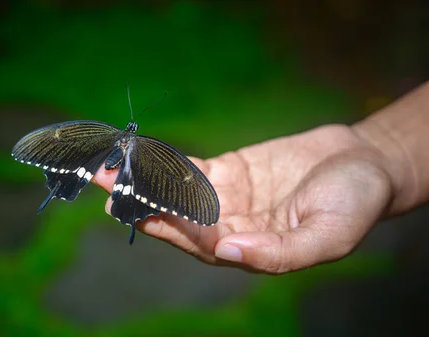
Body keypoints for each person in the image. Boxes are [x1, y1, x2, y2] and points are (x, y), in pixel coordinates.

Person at [92, 81, 429, 274]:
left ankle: (111, 185)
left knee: (120, 183)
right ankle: (100, 179)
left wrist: (385, 152)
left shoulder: (145, 148)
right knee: (118, 181)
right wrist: (382, 148)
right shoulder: (149, 149)